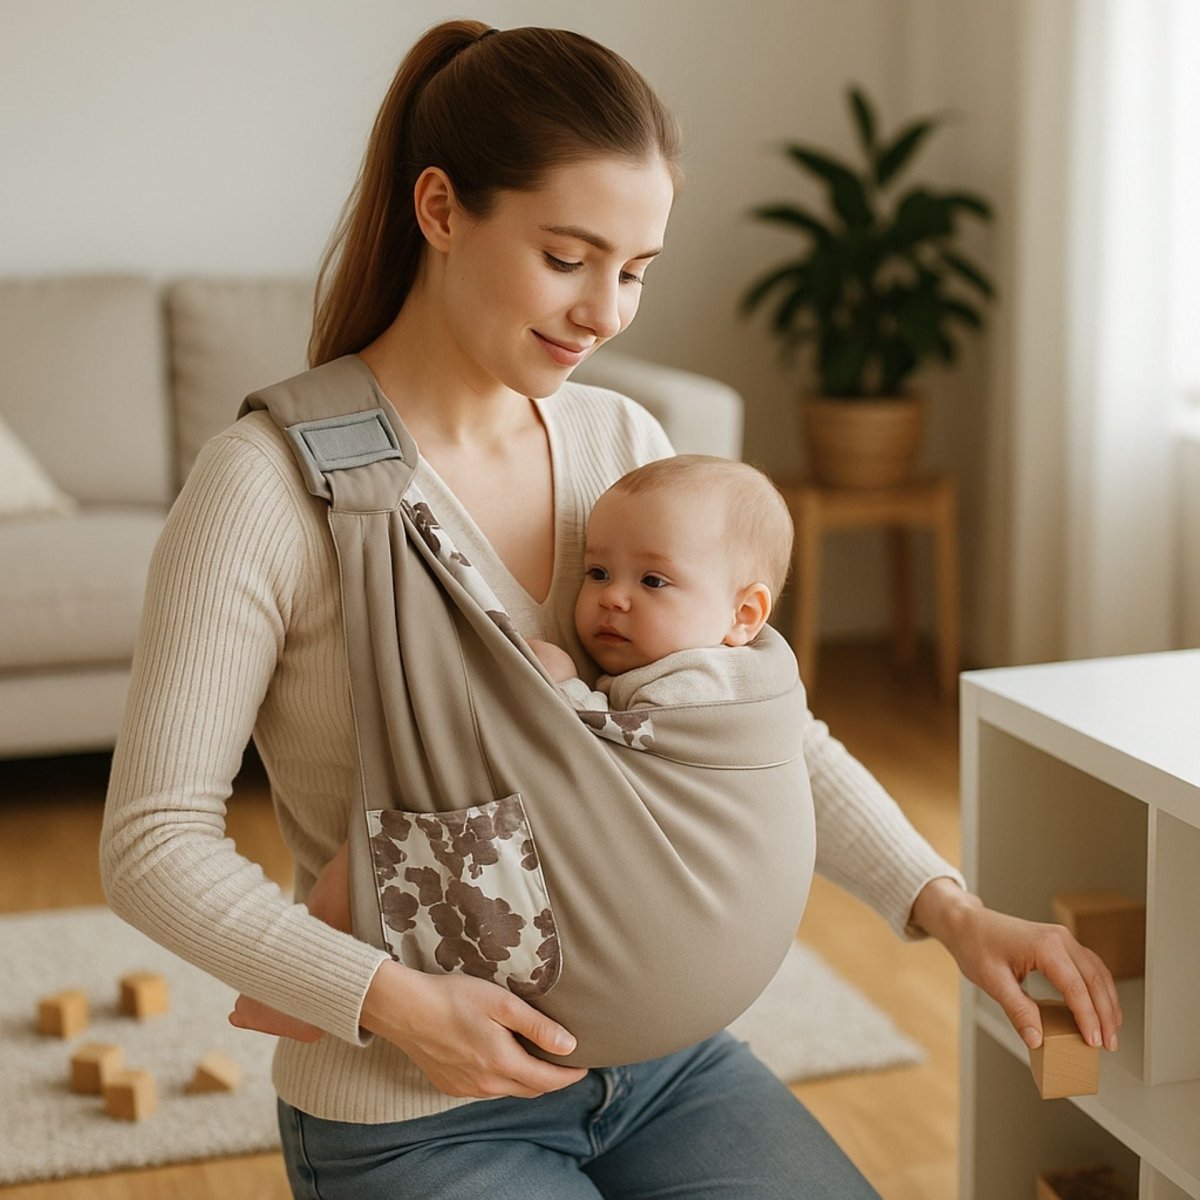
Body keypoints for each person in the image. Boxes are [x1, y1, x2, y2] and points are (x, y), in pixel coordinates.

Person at [100, 19, 1122, 1200]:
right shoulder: (272, 485)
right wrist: (397, 1005)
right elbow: (152, 843)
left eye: (635, 270)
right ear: (440, 210)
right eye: (570, 258)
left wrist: (951, 910)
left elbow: (749, 725)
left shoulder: (618, 446)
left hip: (663, 1071)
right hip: (420, 1107)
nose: (606, 314)